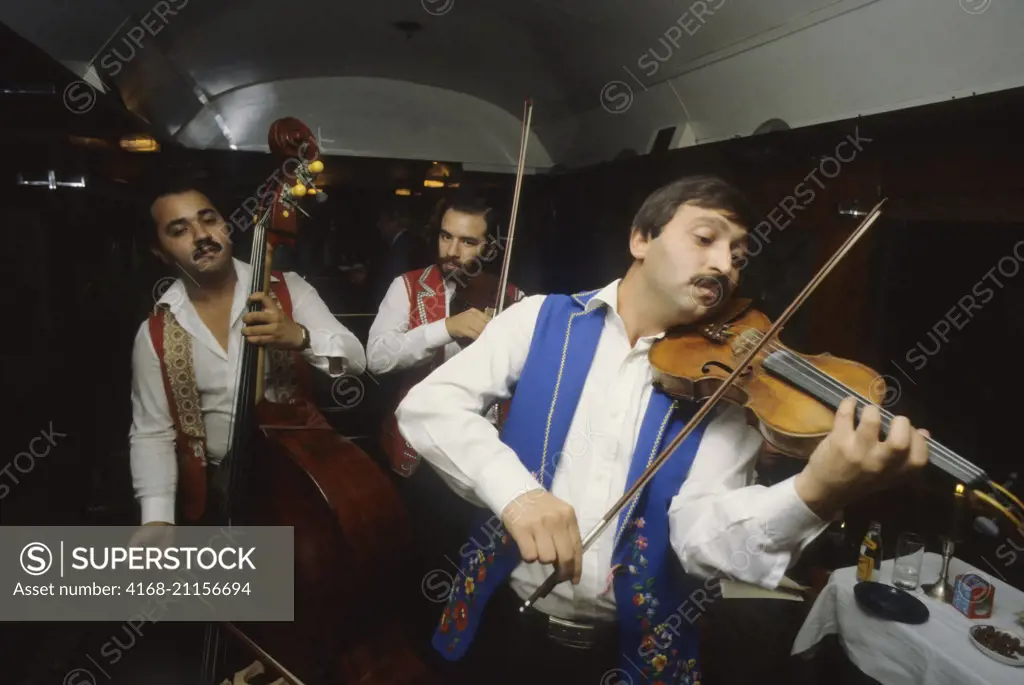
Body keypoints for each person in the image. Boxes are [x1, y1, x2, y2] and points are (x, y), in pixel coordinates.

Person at [395, 174, 930, 685]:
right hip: (501, 618)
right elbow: (429, 407)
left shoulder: (725, 389)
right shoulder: (539, 318)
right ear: (641, 239)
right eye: (705, 239)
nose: (725, 265)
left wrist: (817, 491)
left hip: (631, 652)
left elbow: (702, 540)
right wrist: (516, 495)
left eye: (739, 257)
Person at [128, 174, 365, 534]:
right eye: (179, 230)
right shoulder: (155, 332)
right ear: (159, 251)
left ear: (226, 225)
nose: (202, 236)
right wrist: (157, 516)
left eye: (208, 219)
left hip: (300, 477)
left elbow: (357, 360)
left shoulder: (290, 290)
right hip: (219, 490)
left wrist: (299, 336)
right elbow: (151, 432)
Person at [367, 190, 525, 478]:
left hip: (486, 451)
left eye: (468, 242)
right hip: (420, 448)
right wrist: (445, 328)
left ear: (488, 247)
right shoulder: (407, 286)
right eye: (445, 237)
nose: (452, 251)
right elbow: (377, 358)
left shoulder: (511, 296)